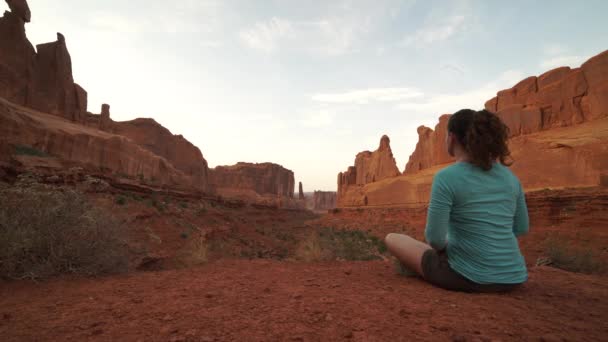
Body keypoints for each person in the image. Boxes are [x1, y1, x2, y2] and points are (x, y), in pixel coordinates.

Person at [385, 109, 529, 292]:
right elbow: (521, 228)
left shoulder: (447, 177)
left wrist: (460, 248)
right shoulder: (510, 178)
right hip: (513, 277)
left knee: (393, 238)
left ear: (451, 137)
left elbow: (435, 240)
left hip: (466, 277)